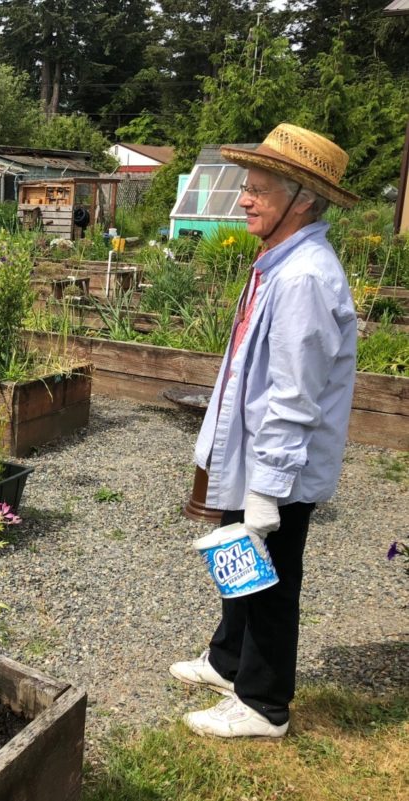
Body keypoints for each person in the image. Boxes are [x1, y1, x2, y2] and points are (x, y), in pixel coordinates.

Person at [170, 123, 359, 738]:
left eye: (257, 189)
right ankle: (229, 662)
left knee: (271, 581)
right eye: (246, 187)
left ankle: (263, 705)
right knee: (238, 561)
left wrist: (266, 489)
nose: (244, 199)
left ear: (301, 198)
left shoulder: (304, 278)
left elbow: (293, 397)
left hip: (277, 467)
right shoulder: (279, 263)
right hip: (252, 458)